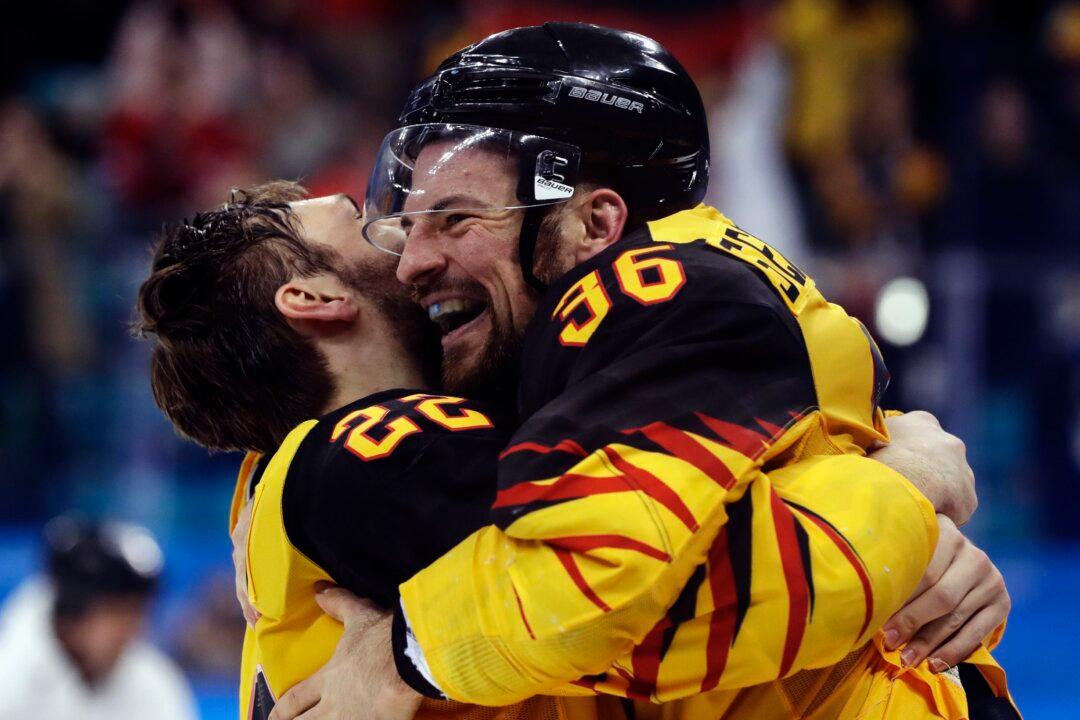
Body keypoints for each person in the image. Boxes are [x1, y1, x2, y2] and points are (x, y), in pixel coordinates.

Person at [280, 22, 1017, 720]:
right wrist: (901, 490)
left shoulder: (652, 289)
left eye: (457, 219)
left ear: (595, 225)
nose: (410, 264)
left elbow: (600, 597)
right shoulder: (650, 313)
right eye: (404, 229)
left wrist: (401, 649)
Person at [139, 183, 988, 720]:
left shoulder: (334, 468)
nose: (411, 240)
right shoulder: (364, 454)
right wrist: (906, 480)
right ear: (314, 297)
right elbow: (674, 597)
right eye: (364, 224)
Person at [0, 516, 198, 720]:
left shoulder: (155, 682)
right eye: (118, 613)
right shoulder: (8, 682)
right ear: (70, 615)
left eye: (139, 612)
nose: (134, 628)